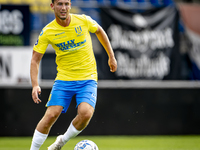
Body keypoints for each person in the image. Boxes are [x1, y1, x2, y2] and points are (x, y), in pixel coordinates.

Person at [30, 0, 117, 150]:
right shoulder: (48, 31)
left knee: (85, 113)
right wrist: (35, 85)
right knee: (51, 115)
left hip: (87, 78)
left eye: (66, 3)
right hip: (64, 79)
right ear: (52, 6)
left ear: (70, 5)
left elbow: (99, 31)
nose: (63, 8)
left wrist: (111, 56)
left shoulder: (83, 20)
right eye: (59, 4)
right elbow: (35, 60)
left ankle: (60, 142)